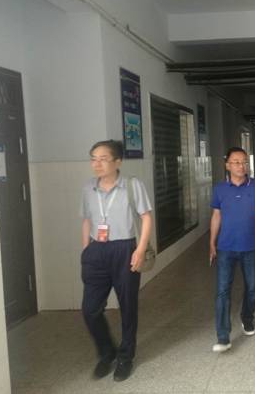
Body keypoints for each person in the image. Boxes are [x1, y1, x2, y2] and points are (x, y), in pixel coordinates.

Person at [80, 140, 152, 382]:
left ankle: (125, 357)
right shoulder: (88, 188)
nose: (97, 164)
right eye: (93, 158)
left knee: (127, 306)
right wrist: (86, 250)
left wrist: (140, 249)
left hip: (124, 249)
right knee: (90, 310)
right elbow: (87, 220)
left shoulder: (132, 185)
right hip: (96, 251)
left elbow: (146, 217)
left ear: (117, 161)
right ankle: (106, 352)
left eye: (103, 159)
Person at [209, 147, 255, 352]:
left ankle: (247, 317)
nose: (241, 165)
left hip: (251, 246)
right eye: (236, 162)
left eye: (244, 162)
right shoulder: (220, 189)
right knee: (222, 291)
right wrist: (212, 242)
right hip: (226, 247)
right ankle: (223, 336)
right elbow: (216, 216)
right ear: (227, 165)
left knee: (252, 287)